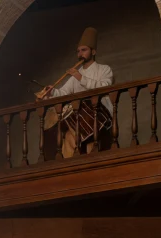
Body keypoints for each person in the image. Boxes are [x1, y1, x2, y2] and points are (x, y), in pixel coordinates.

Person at [47, 27, 114, 158]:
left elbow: (104, 87)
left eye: (84, 50)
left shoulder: (104, 69)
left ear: (93, 51)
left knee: (77, 136)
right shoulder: (76, 74)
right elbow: (64, 92)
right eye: (78, 51)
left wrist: (80, 78)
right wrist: (51, 92)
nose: (80, 54)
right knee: (67, 136)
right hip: (80, 117)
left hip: (100, 114)